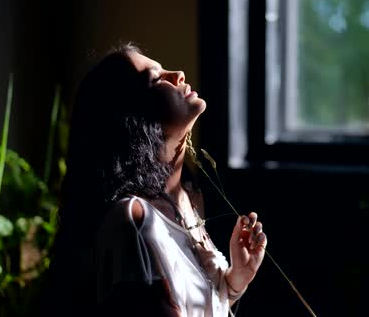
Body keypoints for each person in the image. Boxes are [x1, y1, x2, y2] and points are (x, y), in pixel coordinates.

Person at [43, 43, 267, 316]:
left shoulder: (187, 198)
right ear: (132, 119)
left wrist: (234, 282)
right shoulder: (133, 222)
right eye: (157, 78)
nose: (179, 74)